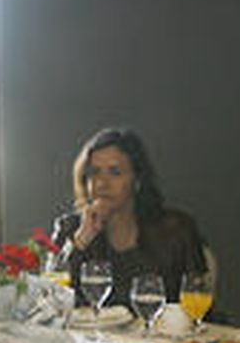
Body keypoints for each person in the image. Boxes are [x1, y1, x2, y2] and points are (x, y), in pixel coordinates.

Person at [47, 127, 208, 309]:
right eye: (94, 173)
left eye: (115, 172)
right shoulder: (71, 228)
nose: (101, 183)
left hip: (160, 336)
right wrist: (82, 239)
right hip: (91, 337)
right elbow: (50, 298)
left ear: (137, 180)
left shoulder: (177, 229)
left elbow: (197, 301)